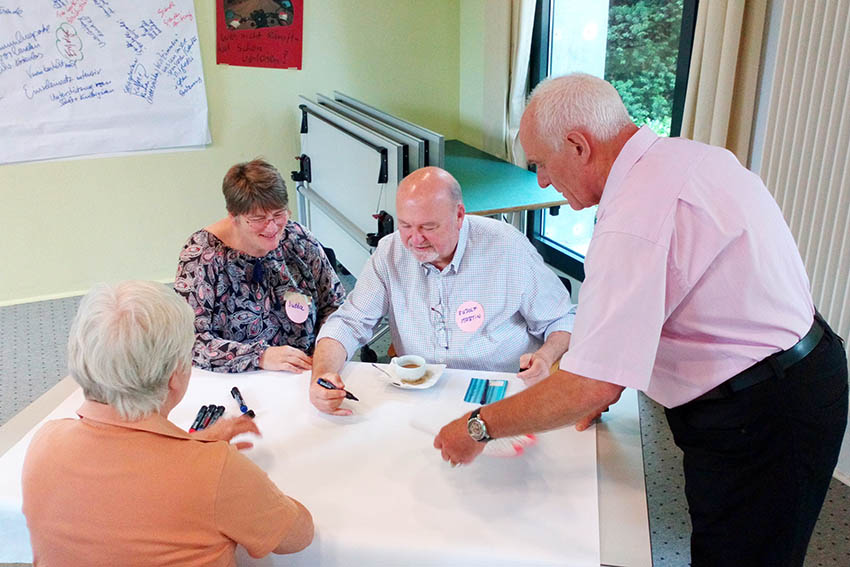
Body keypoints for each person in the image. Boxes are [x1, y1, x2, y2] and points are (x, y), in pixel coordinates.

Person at [433, 73, 848, 567]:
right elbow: (672, 300)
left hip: (762, 409)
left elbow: (591, 386)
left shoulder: (634, 219)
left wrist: (478, 426)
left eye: (541, 163)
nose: (542, 179)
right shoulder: (691, 157)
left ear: (577, 145)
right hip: (798, 369)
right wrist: (601, 376)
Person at [22, 281, 314, 565]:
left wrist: (194, 448)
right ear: (176, 373)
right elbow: (298, 537)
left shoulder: (44, 443)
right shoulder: (216, 473)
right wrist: (231, 475)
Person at [310, 166, 575, 415]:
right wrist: (322, 376)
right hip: (421, 393)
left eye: (428, 227)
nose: (415, 239)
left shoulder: (507, 247)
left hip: (501, 392)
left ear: (459, 216)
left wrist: (545, 357)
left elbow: (561, 318)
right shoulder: (390, 252)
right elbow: (348, 323)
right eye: (405, 226)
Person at [174, 158, 345, 373]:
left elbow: (336, 305)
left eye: (279, 214)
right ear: (233, 216)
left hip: (305, 371)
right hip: (240, 377)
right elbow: (190, 341)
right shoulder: (202, 256)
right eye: (258, 218)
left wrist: (325, 352)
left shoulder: (297, 239)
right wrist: (260, 356)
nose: (272, 227)